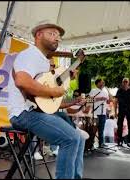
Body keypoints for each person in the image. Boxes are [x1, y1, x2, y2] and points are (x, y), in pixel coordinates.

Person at [7, 22, 85, 179]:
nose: (57, 38)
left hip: (38, 111)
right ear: (38, 35)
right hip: (23, 113)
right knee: (71, 139)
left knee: (80, 138)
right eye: (52, 33)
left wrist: (70, 100)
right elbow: (22, 81)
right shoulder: (30, 55)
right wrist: (54, 91)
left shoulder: (43, 61)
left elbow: (48, 103)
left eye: (58, 36)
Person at [115, 78, 130, 148]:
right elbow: (116, 101)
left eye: (126, 82)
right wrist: (115, 110)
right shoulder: (119, 90)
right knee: (120, 125)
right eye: (124, 82)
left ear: (128, 82)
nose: (125, 83)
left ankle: (129, 141)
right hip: (121, 109)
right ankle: (119, 141)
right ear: (122, 82)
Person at [89, 78, 110, 148]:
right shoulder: (93, 90)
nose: (103, 84)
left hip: (103, 113)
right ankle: (91, 144)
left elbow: (108, 101)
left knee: (101, 129)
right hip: (95, 113)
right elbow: (89, 100)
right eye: (101, 82)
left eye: (103, 83)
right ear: (97, 83)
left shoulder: (105, 91)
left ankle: (101, 143)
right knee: (93, 130)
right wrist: (99, 99)